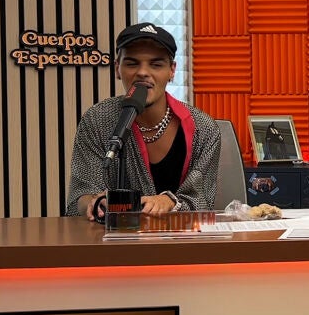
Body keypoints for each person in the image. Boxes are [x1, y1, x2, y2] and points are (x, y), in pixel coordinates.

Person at [66, 22, 221, 221]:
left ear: (172, 70)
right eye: (132, 63)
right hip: (113, 238)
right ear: (117, 68)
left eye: (156, 65)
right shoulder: (97, 120)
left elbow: (203, 200)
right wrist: (94, 202)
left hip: (182, 237)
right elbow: (80, 195)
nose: (143, 72)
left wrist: (169, 201)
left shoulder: (204, 128)